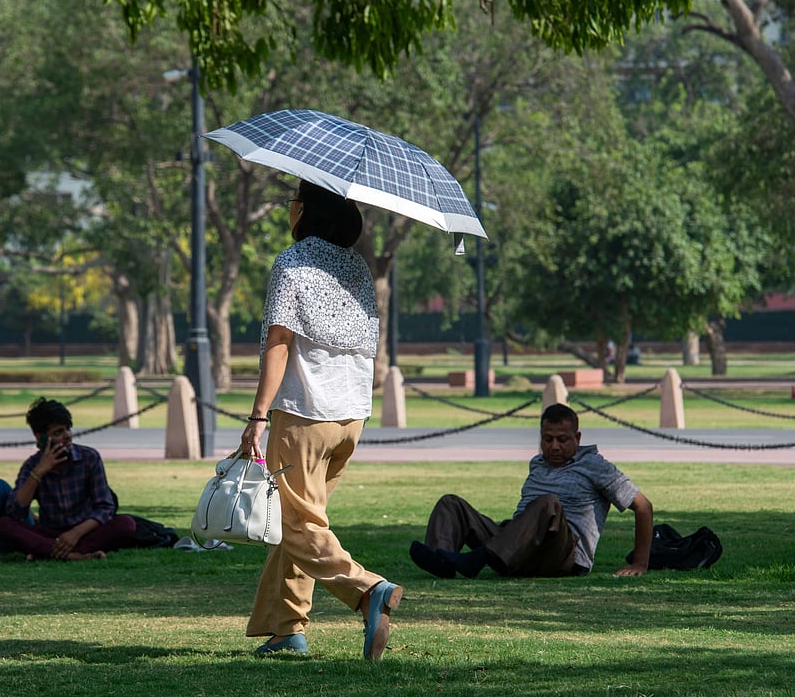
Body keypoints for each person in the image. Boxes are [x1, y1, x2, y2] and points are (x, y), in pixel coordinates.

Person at [240, 180, 402, 661]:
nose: (289, 208)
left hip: (304, 413)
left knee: (295, 524)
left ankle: (368, 589)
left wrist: (257, 416)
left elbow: (280, 343)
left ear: (306, 210)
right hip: (350, 417)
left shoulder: (291, 264)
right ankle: (286, 628)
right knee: (299, 521)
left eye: (293, 200)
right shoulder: (357, 267)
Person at [409, 403, 653, 579]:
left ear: (577, 438)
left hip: (563, 556)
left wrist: (640, 563)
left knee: (549, 504)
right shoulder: (537, 463)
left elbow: (643, 506)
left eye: (562, 439)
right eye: (547, 439)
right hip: (519, 550)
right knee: (451, 504)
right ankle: (440, 558)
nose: (554, 446)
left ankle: (480, 557)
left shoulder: (596, 466)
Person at [0, 397, 137, 560]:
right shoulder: (32, 465)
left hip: (85, 530)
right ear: (40, 437)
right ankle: (75, 555)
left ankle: (49, 552)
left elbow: (105, 508)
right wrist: (39, 472)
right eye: (58, 432)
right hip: (50, 532)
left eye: (68, 429)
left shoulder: (89, 458)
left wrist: (75, 533)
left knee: (126, 524)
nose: (67, 436)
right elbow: (16, 512)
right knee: (3, 526)